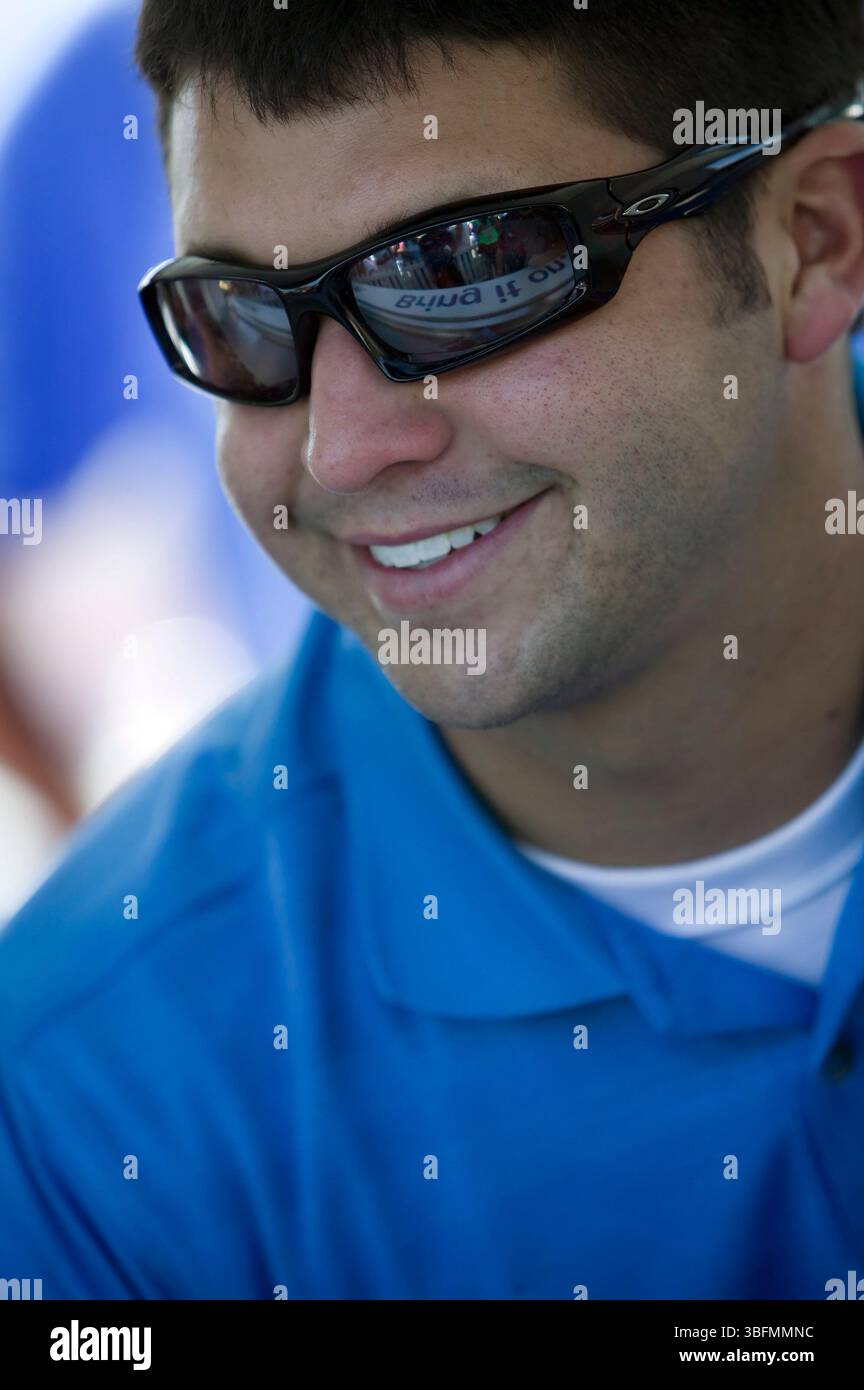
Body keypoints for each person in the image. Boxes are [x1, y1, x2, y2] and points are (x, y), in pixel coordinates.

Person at [1, 0, 864, 1300]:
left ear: (816, 240)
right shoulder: (94, 1104)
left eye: (463, 271)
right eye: (238, 315)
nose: (341, 450)